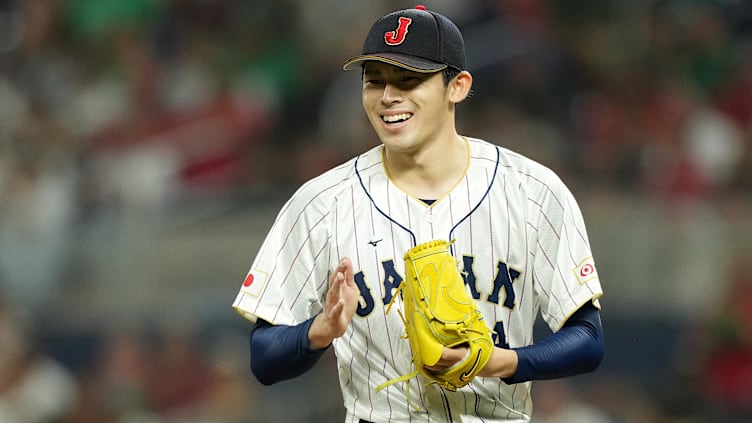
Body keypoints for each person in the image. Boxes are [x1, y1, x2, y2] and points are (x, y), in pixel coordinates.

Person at [232, 5, 604, 422]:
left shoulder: (532, 191)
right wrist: (320, 330)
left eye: (409, 80)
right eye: (375, 81)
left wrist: (499, 362)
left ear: (457, 86)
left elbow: (588, 340)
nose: (389, 96)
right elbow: (264, 357)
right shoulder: (321, 203)